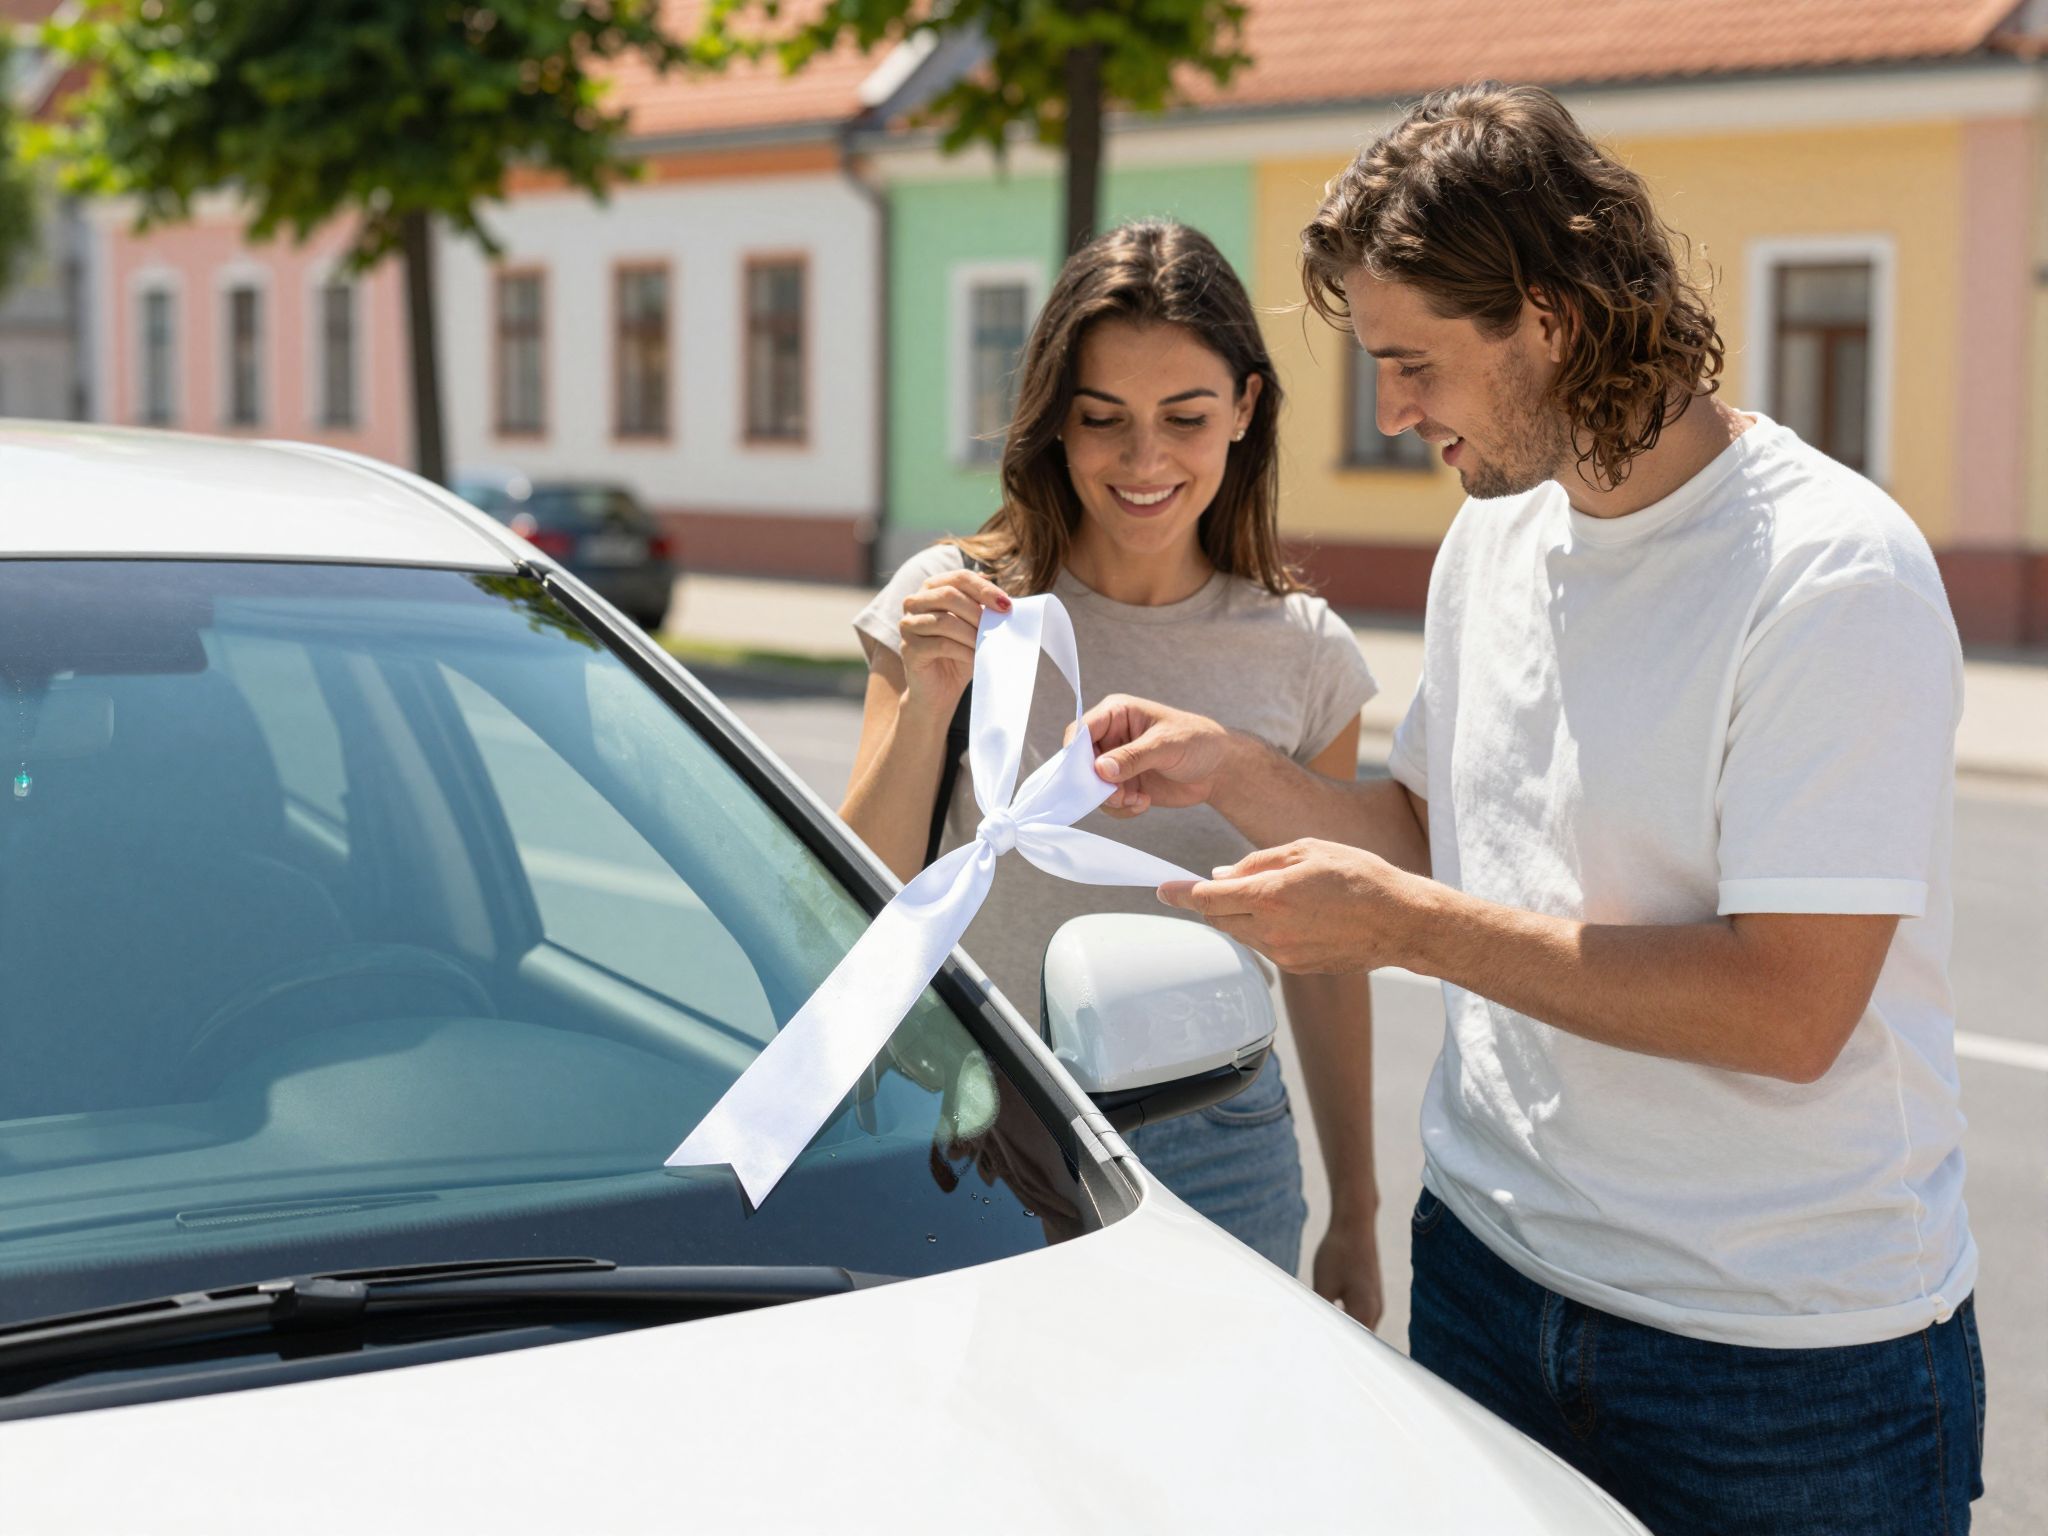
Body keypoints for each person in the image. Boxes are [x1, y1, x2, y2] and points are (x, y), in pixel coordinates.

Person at [1083, 85, 1983, 1536]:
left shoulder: (1828, 576)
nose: (1393, 413)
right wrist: (1240, 772)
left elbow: (1789, 1010)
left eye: (1415, 363)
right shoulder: (1497, 531)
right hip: (1493, 1284)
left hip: (1776, 1366)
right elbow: (1445, 837)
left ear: (1549, 320)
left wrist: (1401, 932)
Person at [842, 220, 1385, 1319]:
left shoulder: (1307, 656)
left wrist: (1358, 1210)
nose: (1143, 462)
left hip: (1224, 1143)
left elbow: (1326, 956)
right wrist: (928, 701)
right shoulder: (958, 604)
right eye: (1102, 422)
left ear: (1243, 408)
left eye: (1183, 419)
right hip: (971, 1126)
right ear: (1054, 425)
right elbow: (849, 898)